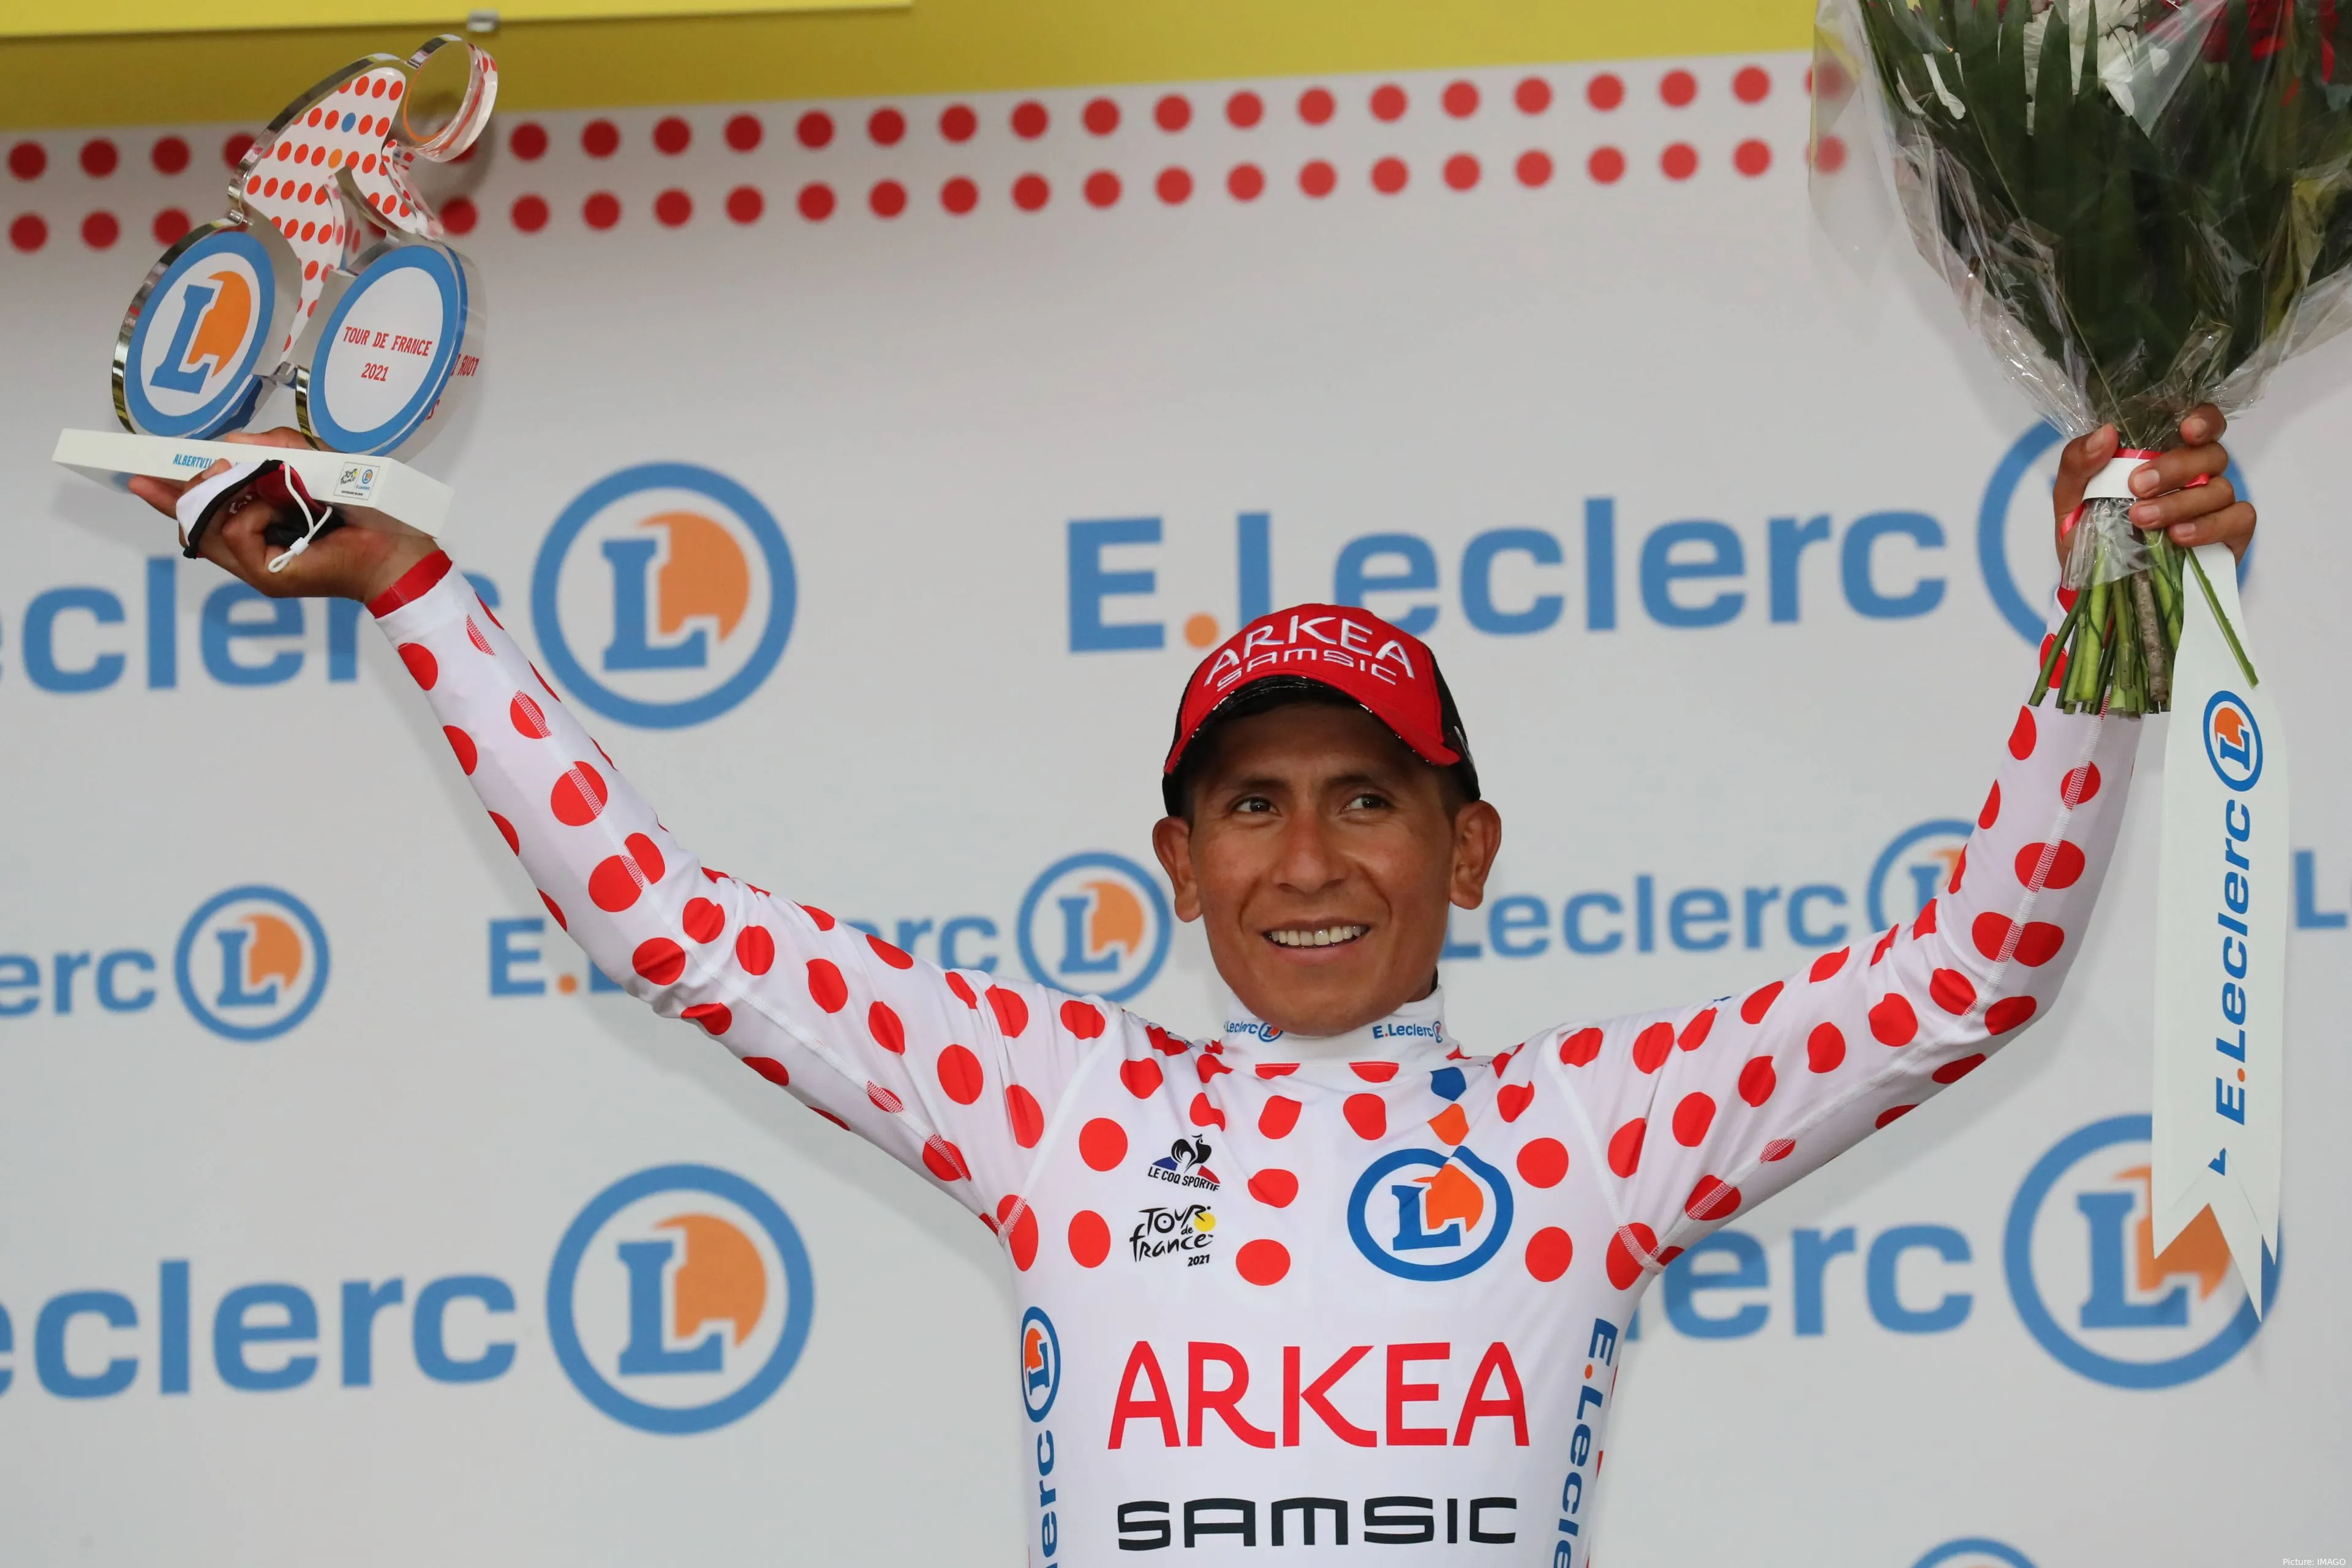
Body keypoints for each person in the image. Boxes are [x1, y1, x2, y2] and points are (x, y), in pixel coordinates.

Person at [129, 412, 2255, 1563]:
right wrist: (414, 591)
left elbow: (1976, 962)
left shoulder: (1587, 1128)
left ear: (1468, 848)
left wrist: (2108, 596)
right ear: (1177, 864)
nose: (1309, 860)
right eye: (1248, 809)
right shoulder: (1056, 1097)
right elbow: (658, 919)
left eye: (1366, 800)